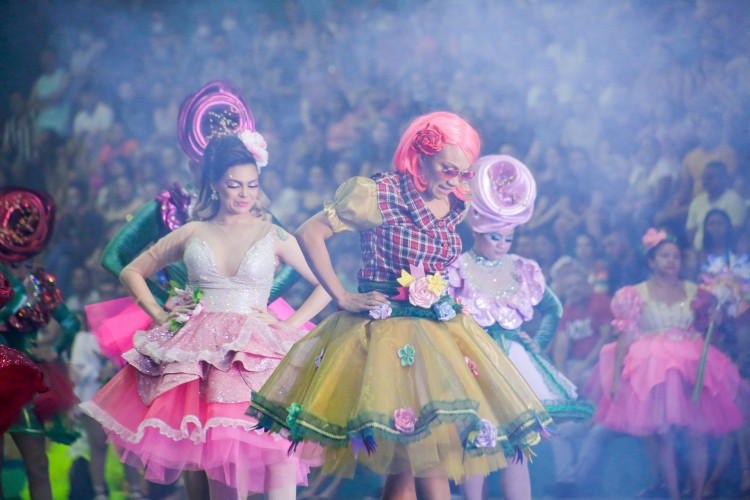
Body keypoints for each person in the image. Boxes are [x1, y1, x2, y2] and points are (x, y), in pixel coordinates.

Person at [248, 112, 553, 499]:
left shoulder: (458, 201)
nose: (454, 180)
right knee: (426, 462)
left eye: (463, 172)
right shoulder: (378, 194)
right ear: (420, 155)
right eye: (447, 168)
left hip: (439, 334)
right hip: (387, 337)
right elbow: (310, 234)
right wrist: (342, 296)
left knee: (410, 467)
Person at [81, 133, 331, 500]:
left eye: (252, 185)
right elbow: (130, 269)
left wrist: (288, 324)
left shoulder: (273, 233)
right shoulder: (192, 231)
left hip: (262, 357)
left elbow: (327, 284)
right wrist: (160, 313)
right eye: (233, 185)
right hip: (205, 358)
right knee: (222, 481)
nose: (244, 194)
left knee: (280, 468)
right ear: (214, 184)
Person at [448, 155, 592, 500]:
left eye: (508, 238)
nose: (501, 244)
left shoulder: (521, 268)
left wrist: (537, 343)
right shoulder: (460, 266)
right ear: (477, 229)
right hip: (474, 361)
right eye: (495, 236)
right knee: (479, 438)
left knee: (517, 440)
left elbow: (553, 308)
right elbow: (446, 313)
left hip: (513, 362)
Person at [586, 228, 745, 500]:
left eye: (676, 257)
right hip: (653, 367)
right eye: (665, 256)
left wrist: (720, 310)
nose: (672, 261)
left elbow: (710, 324)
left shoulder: (697, 291)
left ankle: (697, 493)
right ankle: (672, 494)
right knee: (665, 436)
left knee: (697, 432)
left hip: (691, 363)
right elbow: (626, 335)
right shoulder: (635, 293)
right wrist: (615, 378)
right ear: (651, 261)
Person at [0, 188, 80, 500]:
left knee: (37, 462)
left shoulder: (41, 282)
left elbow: (72, 322)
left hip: (28, 377)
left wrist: (54, 348)